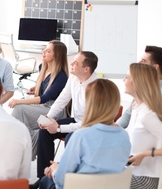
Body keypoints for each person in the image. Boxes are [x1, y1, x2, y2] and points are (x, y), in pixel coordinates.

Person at [39, 79, 131, 189]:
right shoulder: (124, 136)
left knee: (45, 181)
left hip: (79, 185)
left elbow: (61, 180)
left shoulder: (81, 136)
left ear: (90, 105)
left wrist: (54, 170)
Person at [32, 51, 98, 188]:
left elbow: (86, 124)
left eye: (75, 63)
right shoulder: (73, 78)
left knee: (71, 138)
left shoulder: (96, 88)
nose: (71, 64)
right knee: (44, 132)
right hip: (77, 120)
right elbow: (62, 99)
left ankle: (68, 181)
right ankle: (44, 179)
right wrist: (48, 118)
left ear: (86, 69)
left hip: (90, 126)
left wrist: (58, 128)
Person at [8, 40, 69, 159]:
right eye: (44, 49)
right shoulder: (42, 67)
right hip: (42, 108)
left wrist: (18, 101)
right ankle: (19, 149)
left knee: (19, 108)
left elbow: (45, 98)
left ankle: (18, 150)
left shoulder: (61, 76)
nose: (43, 52)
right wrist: (36, 87)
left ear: (56, 55)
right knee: (21, 115)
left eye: (48, 51)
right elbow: (44, 88)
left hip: (54, 112)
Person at [124, 63, 162, 189]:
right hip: (134, 172)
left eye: (127, 77)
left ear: (137, 82)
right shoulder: (137, 108)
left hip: (145, 179)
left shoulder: (148, 114)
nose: (124, 80)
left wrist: (145, 154)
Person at [117, 45, 162, 128]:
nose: (139, 63)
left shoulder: (161, 96)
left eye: (143, 61)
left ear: (155, 67)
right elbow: (127, 116)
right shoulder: (142, 88)